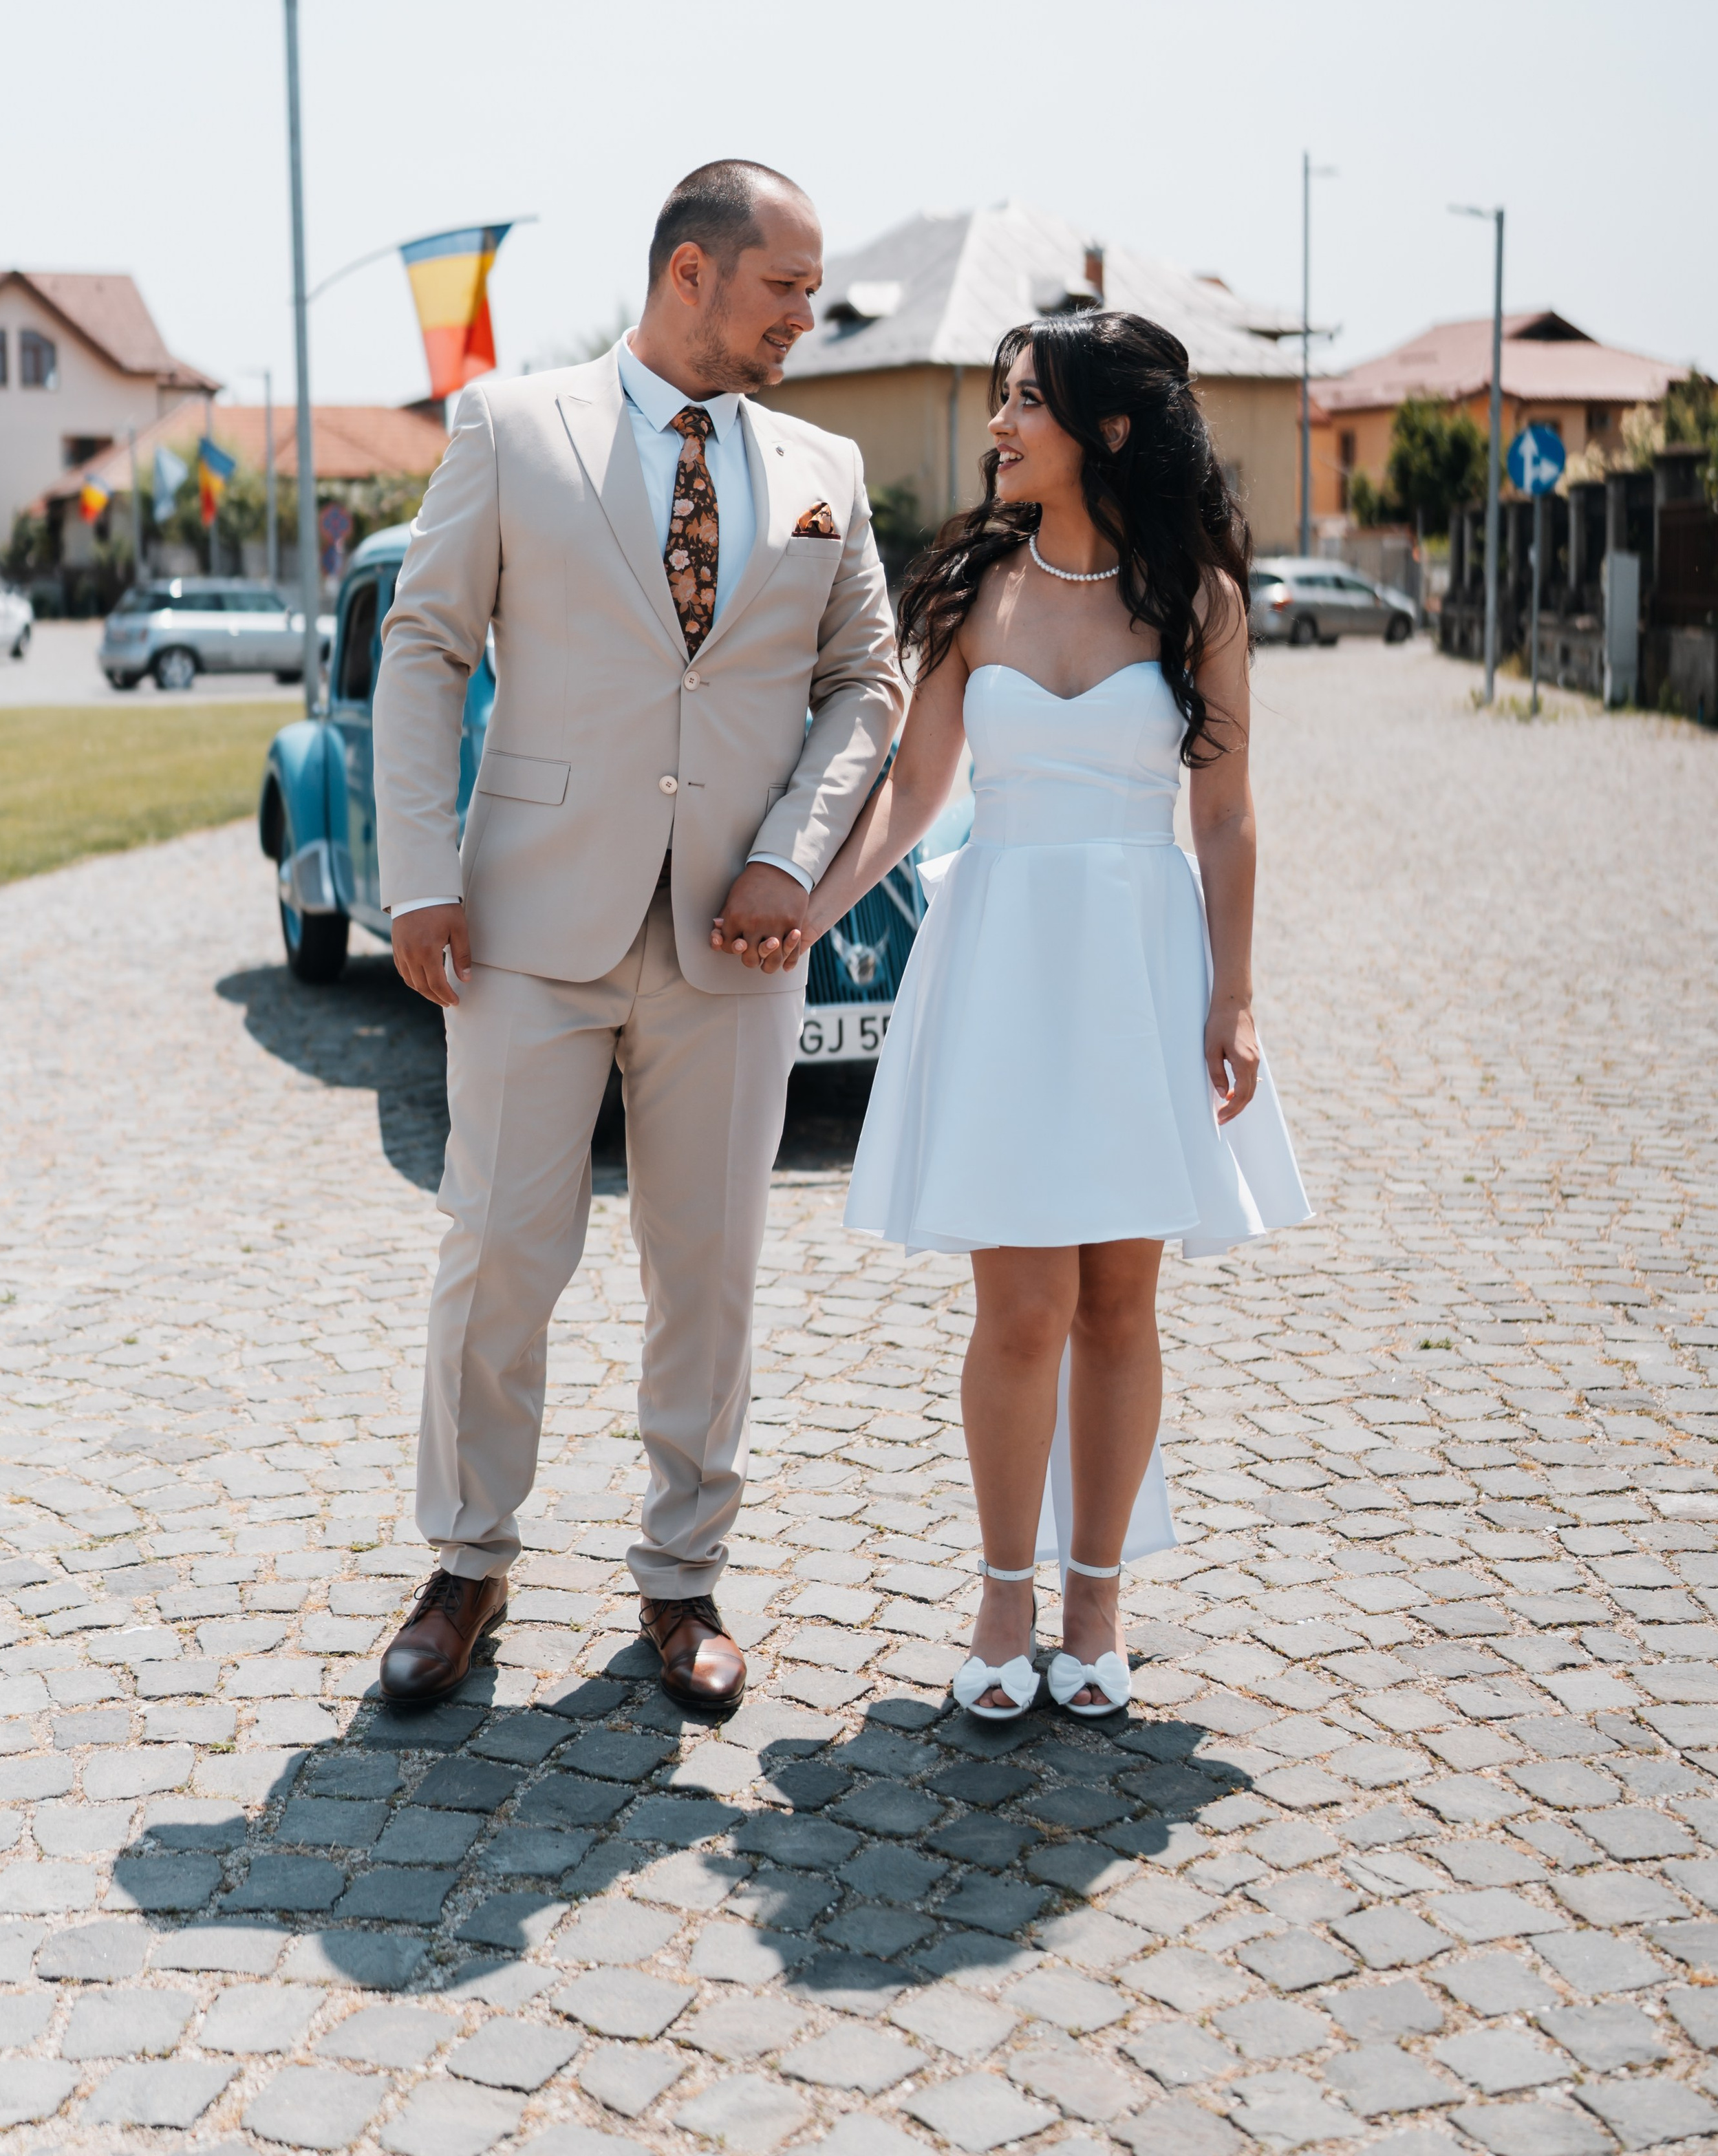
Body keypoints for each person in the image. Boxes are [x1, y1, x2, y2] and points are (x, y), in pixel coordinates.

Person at [372, 160, 903, 1715]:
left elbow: (867, 682)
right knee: (498, 1253)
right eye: (784, 287)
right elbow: (423, 649)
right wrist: (417, 875)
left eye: (812, 291)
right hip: (529, 925)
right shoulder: (510, 428)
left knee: (709, 1266)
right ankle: (466, 1563)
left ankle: (681, 1584)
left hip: (733, 946)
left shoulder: (825, 464)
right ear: (690, 274)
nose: (806, 315)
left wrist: (790, 863)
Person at [764, 310, 1309, 1720]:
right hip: (1001, 961)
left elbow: (1229, 816)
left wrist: (1236, 996)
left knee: (1121, 1301)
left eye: (1023, 404)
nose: (997, 426)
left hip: (1138, 967)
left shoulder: (1200, 603)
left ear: (1107, 429)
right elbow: (909, 794)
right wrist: (809, 917)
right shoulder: (970, 593)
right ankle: (1001, 1605)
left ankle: (1096, 1607)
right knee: (1019, 1309)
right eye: (1000, 398)